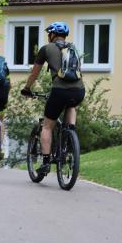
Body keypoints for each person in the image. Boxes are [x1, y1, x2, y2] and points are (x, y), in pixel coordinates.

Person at [20, 21, 85, 176]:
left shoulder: (46, 49)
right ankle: (70, 136)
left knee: (47, 126)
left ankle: (46, 162)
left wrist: (27, 88)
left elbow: (34, 74)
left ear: (52, 34)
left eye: (49, 33)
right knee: (71, 105)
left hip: (59, 90)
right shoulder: (73, 48)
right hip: (79, 91)